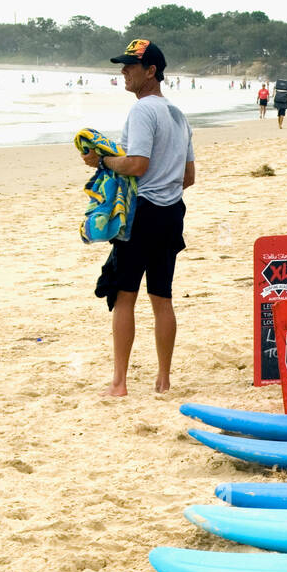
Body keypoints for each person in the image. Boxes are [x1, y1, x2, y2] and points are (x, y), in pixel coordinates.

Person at [79, 39, 195, 396]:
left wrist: (102, 161)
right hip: (172, 212)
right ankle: (163, 380)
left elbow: (136, 164)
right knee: (162, 297)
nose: (124, 71)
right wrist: (165, 188)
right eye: (124, 65)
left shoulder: (143, 111)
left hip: (142, 212)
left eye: (131, 66)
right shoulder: (177, 114)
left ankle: (119, 383)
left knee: (124, 295)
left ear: (151, 72)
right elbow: (188, 176)